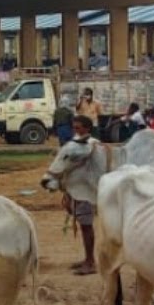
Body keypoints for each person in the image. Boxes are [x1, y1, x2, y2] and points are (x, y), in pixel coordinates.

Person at [66, 116, 99, 276]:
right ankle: (88, 258)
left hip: (86, 190)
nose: (76, 131)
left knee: (86, 225)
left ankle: (90, 262)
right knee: (84, 224)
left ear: (87, 128)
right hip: (77, 189)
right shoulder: (76, 143)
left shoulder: (92, 145)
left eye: (78, 128)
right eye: (74, 128)